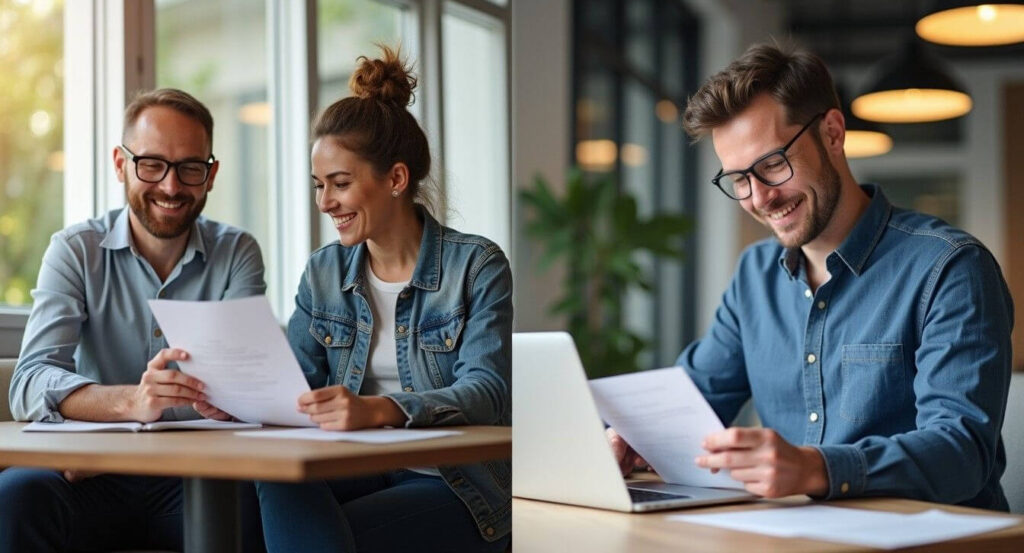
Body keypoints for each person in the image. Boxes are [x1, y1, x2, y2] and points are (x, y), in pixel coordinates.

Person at [608, 42, 1013, 510]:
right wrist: (635, 436)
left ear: (833, 133)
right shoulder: (755, 275)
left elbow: (962, 452)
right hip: (797, 534)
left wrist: (816, 468)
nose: (759, 198)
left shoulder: (950, 268)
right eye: (739, 179)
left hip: (939, 538)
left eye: (772, 165)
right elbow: (689, 403)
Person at [254, 46, 512, 552]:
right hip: (354, 465)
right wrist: (238, 399)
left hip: (451, 482)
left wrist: (381, 409)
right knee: (268, 478)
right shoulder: (324, 272)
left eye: (340, 184)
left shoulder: (476, 266)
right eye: (318, 185)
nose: (324, 202)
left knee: (331, 537)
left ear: (396, 179)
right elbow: (299, 386)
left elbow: (487, 392)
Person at [0, 88, 268, 552]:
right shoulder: (75, 250)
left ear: (211, 175)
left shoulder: (237, 253)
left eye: (190, 167)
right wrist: (131, 402)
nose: (171, 186)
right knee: (16, 496)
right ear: (121, 164)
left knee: (256, 506)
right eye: (151, 164)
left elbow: (248, 385)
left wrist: (230, 400)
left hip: (194, 475)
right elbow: (28, 382)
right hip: (89, 474)